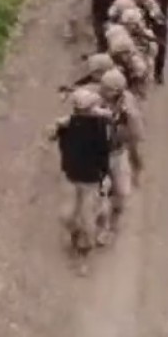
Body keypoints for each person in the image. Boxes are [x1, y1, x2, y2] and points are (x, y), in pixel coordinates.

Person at [50, 86, 119, 251]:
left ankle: (86, 248)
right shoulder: (67, 124)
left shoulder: (102, 125)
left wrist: (105, 175)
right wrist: (56, 126)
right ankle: (76, 232)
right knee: (65, 216)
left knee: (88, 218)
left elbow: (106, 150)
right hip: (71, 176)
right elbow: (50, 135)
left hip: (92, 179)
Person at [97, 68, 145, 178]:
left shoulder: (127, 105)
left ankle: (136, 172)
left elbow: (134, 126)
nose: (102, 91)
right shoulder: (112, 97)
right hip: (117, 132)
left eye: (106, 89)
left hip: (127, 133)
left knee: (133, 152)